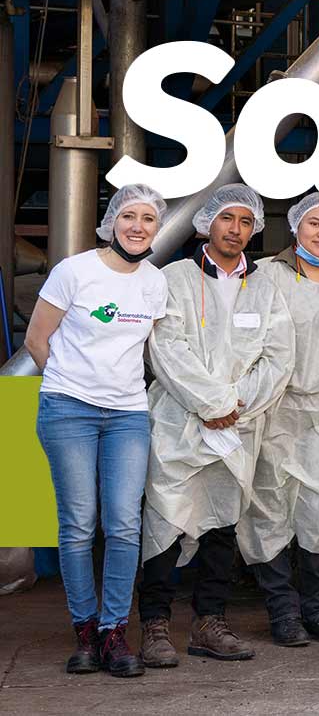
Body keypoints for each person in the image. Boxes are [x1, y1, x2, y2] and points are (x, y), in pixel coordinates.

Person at [138, 184, 295, 667]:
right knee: (165, 520)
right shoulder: (175, 278)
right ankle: (154, 625)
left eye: (246, 222)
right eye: (227, 218)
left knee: (222, 526)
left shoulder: (265, 288)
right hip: (180, 423)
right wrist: (211, 403)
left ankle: (210, 622)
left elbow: (279, 356)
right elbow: (166, 347)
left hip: (237, 427)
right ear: (207, 223)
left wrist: (234, 407)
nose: (236, 229)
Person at [26, 185, 169, 678]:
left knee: (125, 523)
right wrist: (71, 384)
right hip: (69, 409)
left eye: (148, 218)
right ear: (111, 222)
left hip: (128, 413)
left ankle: (114, 631)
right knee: (79, 523)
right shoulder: (75, 271)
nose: (137, 226)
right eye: (129, 215)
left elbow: (150, 351)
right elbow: (37, 339)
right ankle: (85, 631)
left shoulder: (154, 282)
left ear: (157, 228)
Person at [240, 192, 319, 648]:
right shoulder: (264, 275)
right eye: (314, 223)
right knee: (268, 506)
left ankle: (317, 609)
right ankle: (282, 610)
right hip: (270, 408)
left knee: (318, 510)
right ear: (295, 227)